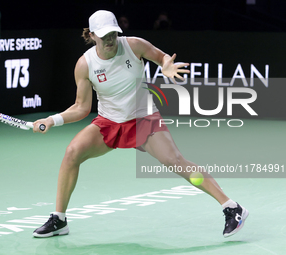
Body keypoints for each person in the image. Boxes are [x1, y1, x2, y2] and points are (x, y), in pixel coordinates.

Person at [32, 10, 249, 238]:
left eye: (113, 34)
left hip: (144, 119)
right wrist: (52, 120)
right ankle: (59, 219)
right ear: (92, 35)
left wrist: (165, 64)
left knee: (173, 160)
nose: (110, 40)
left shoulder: (134, 46)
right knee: (72, 153)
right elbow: (81, 107)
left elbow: (161, 56)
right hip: (109, 122)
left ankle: (232, 207)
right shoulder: (85, 65)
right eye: (104, 35)